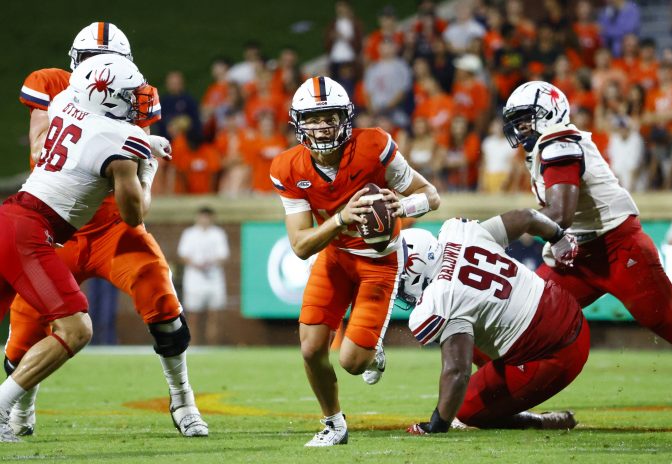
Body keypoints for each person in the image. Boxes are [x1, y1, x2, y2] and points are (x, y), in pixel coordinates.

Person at [9, 22, 208, 438]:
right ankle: (20, 408)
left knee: (161, 294)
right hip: (53, 229)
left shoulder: (132, 96)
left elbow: (128, 181)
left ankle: (183, 397)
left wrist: (133, 145)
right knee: (26, 326)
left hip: (111, 227)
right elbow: (40, 148)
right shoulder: (53, 87)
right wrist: (130, 146)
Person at [269, 76, 440, 446]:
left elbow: (431, 195)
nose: (322, 126)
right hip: (334, 258)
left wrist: (404, 205)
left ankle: (372, 349)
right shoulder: (287, 168)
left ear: (345, 117)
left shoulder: (374, 145)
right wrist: (341, 219)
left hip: (379, 261)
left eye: (329, 116)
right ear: (298, 123)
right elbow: (300, 246)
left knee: (351, 363)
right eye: (313, 118)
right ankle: (333, 424)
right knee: (312, 348)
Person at [0, 54, 159, 442]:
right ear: (107, 96)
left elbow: (90, 137)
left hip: (10, 216)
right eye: (128, 92)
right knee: (76, 328)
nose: (137, 98)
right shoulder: (122, 141)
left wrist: (142, 143)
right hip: (30, 232)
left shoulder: (65, 103)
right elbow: (135, 216)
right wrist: (148, 169)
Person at [502, 80, 672, 352]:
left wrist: (499, 230)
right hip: (580, 254)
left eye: (525, 118)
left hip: (618, 247)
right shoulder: (545, 148)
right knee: (523, 315)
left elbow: (560, 214)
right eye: (516, 121)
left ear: (549, 112)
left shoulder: (559, 142)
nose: (519, 127)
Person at [402, 210, 584, 434]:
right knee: (470, 324)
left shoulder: (441, 299)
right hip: (564, 306)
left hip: (553, 354)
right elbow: (526, 217)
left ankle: (541, 421)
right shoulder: (459, 234)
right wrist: (558, 237)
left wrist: (437, 425)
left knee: (467, 409)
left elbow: (458, 371)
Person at [177, 207, 230, 345]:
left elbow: (223, 256)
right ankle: (193, 345)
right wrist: (196, 264)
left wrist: (210, 263)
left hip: (214, 280)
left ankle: (212, 345)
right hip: (194, 280)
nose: (204, 220)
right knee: (193, 316)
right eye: (202, 217)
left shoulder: (218, 234)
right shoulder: (189, 234)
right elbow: (183, 255)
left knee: (215, 315)